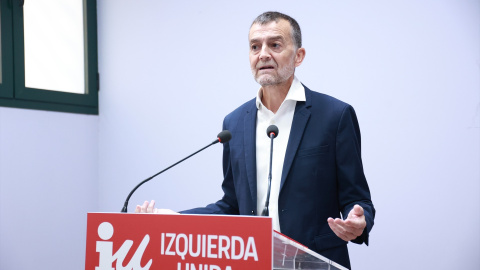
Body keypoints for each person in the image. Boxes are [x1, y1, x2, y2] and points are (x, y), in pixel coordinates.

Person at [136, 11, 375, 269]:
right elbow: (231, 205)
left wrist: (359, 221)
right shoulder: (235, 123)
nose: (263, 54)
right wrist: (176, 219)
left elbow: (357, 198)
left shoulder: (334, 116)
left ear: (299, 56)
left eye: (275, 45)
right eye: (254, 46)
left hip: (317, 262)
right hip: (254, 262)